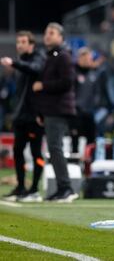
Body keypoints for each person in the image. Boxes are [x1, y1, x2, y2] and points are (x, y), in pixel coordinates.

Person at [32, 22, 78, 202]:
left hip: (59, 109)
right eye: (46, 32)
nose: (47, 36)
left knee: (55, 148)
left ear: (61, 37)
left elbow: (67, 82)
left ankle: (66, 188)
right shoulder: (51, 56)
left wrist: (43, 85)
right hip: (52, 109)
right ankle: (62, 188)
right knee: (54, 148)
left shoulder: (63, 56)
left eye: (51, 33)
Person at [1, 31, 45, 202]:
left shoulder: (37, 58)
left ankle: (34, 189)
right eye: (18, 42)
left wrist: (14, 63)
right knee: (18, 152)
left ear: (31, 44)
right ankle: (20, 187)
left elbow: (36, 69)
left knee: (36, 154)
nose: (19, 45)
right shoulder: (22, 63)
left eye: (23, 41)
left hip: (34, 117)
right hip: (20, 116)